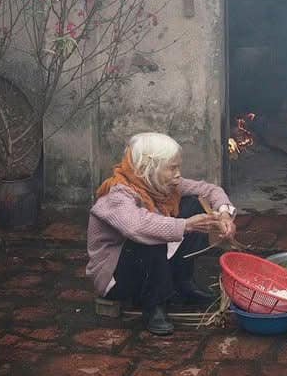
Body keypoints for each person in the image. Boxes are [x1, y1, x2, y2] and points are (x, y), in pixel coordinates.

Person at [86, 132, 237, 336]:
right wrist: (185, 225)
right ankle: (154, 305)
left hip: (148, 263)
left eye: (178, 167)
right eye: (172, 168)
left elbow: (209, 190)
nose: (178, 174)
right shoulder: (118, 194)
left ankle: (182, 282)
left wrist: (224, 214)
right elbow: (137, 226)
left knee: (194, 203)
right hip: (117, 279)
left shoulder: (160, 184)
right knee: (151, 234)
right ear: (150, 169)